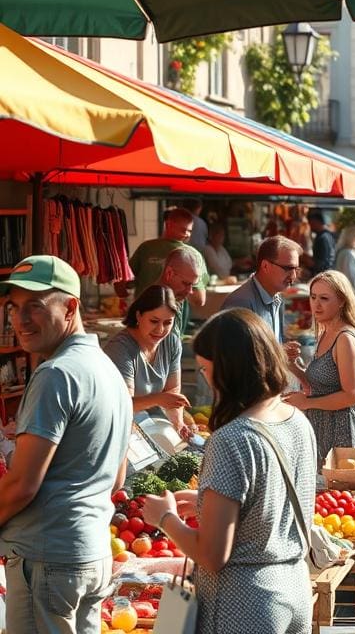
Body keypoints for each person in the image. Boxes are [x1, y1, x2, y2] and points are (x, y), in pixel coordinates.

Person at [142, 309, 317, 634]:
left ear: (229, 370)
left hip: (245, 602)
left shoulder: (232, 439)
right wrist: (205, 499)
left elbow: (212, 555)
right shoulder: (296, 420)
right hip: (294, 587)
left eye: (207, 369)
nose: (206, 379)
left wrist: (164, 519)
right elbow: (270, 496)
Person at [0, 256, 132, 634]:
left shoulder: (56, 374)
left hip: (48, 557)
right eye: (14, 307)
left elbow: (22, 484)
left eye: (34, 306)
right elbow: (117, 478)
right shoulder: (107, 369)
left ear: (70, 307)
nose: (20, 320)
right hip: (91, 554)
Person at [286, 271, 355, 462]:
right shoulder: (326, 332)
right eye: (313, 297)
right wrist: (292, 365)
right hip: (323, 429)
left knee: (340, 482)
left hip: (343, 432)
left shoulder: (345, 339)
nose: (316, 304)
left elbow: (351, 396)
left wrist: (306, 403)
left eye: (324, 298)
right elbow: (319, 385)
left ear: (341, 301)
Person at [103, 285, 190, 435]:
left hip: (151, 424)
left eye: (167, 323)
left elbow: (173, 392)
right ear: (138, 316)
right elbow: (123, 405)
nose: (160, 330)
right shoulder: (120, 348)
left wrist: (178, 424)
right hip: (118, 427)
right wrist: (158, 399)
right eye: (154, 321)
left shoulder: (172, 343)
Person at [220, 236, 301, 364]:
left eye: (296, 269)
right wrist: (278, 352)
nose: (293, 276)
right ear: (265, 266)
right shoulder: (240, 303)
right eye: (287, 268)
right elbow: (234, 358)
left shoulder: (277, 297)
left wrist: (283, 351)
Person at [117, 206, 209, 305]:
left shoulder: (147, 247)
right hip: (169, 311)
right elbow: (199, 300)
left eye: (189, 231)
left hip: (146, 310)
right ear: (168, 225)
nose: (187, 234)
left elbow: (121, 286)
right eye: (183, 230)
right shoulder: (194, 255)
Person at [335, 226, 355, 300]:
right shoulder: (348, 253)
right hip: (350, 293)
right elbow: (352, 276)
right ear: (351, 237)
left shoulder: (346, 252)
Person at [307, 208, 336, 274]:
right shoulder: (327, 235)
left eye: (311, 223)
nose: (310, 226)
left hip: (323, 274)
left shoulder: (322, 238)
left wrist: (305, 259)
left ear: (316, 221)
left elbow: (321, 264)